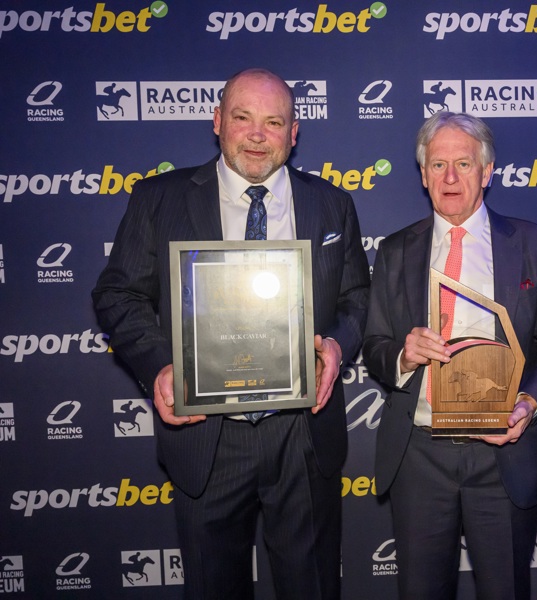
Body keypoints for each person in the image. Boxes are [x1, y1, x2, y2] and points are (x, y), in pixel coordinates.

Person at [92, 68, 369, 599]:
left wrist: (336, 345)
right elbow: (117, 293)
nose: (258, 135)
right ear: (217, 121)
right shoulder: (159, 199)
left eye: (274, 122)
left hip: (303, 435)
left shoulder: (332, 203)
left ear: (294, 133)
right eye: (243, 118)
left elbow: (358, 297)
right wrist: (161, 366)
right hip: (207, 436)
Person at [362, 112, 537, 600]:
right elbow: (374, 345)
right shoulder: (394, 250)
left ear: (487, 171)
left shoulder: (534, 244)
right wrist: (403, 356)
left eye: (463, 164)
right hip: (420, 456)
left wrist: (529, 402)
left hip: (503, 453)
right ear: (423, 175)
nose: (451, 178)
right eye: (438, 165)